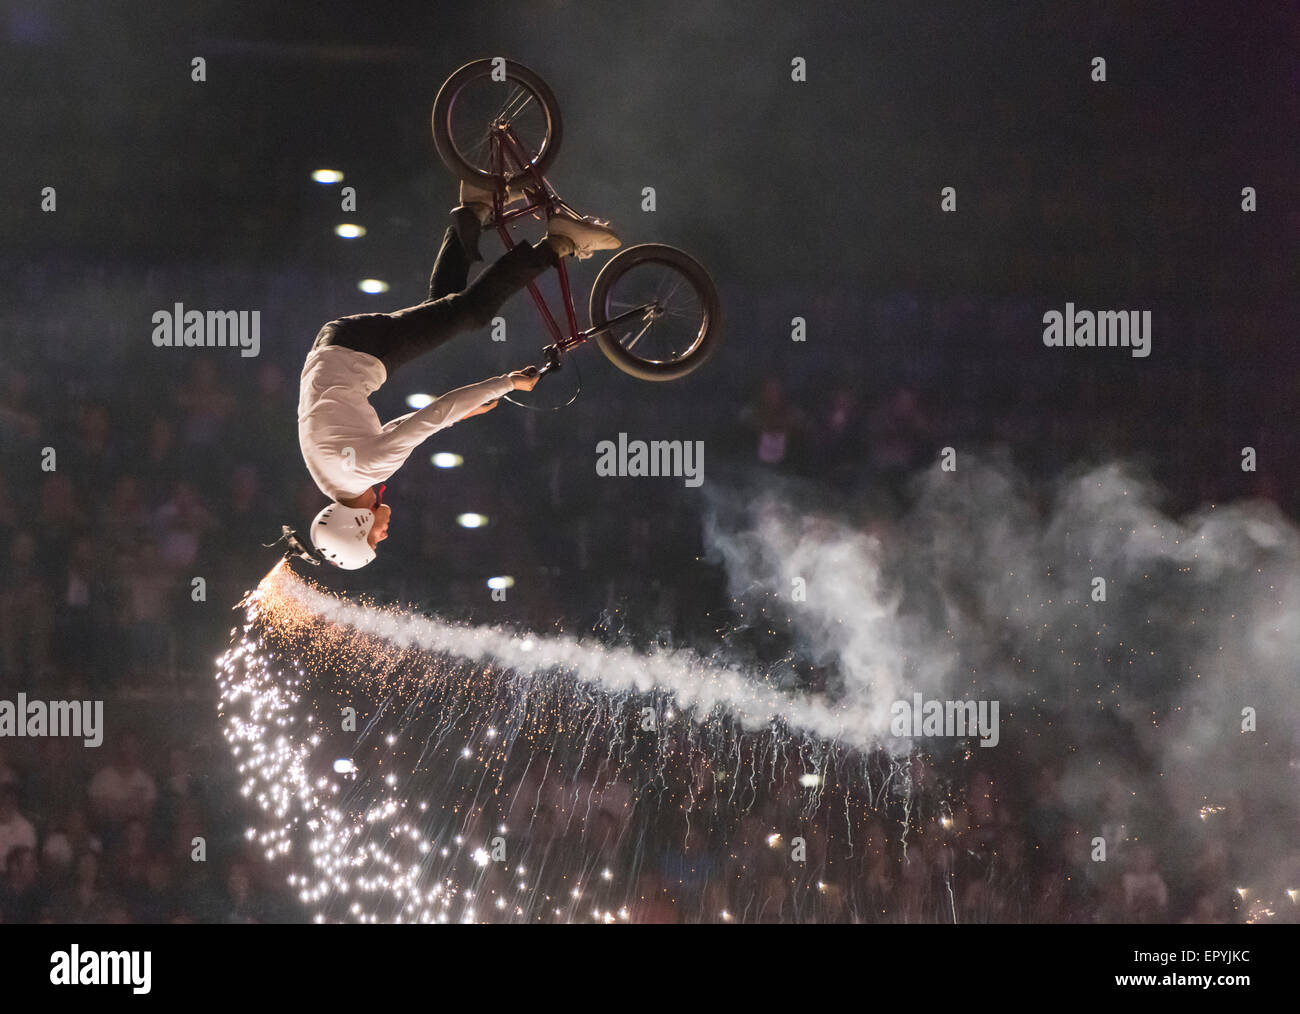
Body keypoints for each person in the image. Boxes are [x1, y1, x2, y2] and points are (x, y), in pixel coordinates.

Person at [299, 179, 619, 568]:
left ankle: (560, 242)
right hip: (345, 348)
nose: (383, 536)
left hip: (358, 349)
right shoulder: (338, 479)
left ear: (359, 522)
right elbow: (407, 428)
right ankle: (474, 210)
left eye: (374, 540)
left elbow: (435, 413)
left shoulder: (366, 469)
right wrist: (463, 414)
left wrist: (507, 383)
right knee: (446, 308)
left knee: (473, 314)